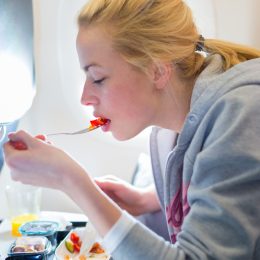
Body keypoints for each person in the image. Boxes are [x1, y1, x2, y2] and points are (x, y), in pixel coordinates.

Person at [3, 0, 260, 259]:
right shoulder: (166, 132)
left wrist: (73, 182)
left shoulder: (242, 112)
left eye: (98, 78)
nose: (85, 97)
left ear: (158, 70)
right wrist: (150, 201)